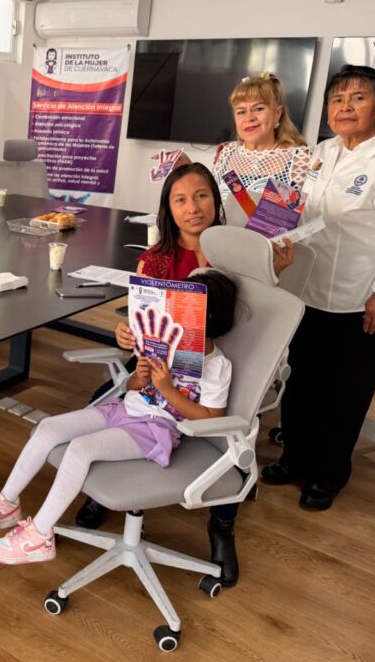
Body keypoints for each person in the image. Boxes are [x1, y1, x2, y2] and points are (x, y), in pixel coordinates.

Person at [74, 162, 291, 585]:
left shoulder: (243, 254)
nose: (192, 207)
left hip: (221, 368)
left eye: (201, 196)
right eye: (180, 199)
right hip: (161, 375)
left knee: (236, 433)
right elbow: (140, 327)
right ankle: (99, 496)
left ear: (216, 200)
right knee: (102, 398)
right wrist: (126, 334)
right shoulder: (155, 262)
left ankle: (222, 524)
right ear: (168, 209)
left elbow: (259, 323)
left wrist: (273, 275)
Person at [0, 271, 239, 566]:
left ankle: (40, 536)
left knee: (80, 449)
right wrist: (141, 376)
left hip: (156, 429)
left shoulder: (218, 366)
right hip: (123, 409)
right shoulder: (164, 343)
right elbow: (132, 387)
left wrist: (166, 389)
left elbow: (209, 417)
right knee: (47, 427)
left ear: (210, 319)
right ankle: (7, 503)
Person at [262, 65, 375, 511]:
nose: (345, 107)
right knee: (301, 380)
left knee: (344, 391)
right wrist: (278, 237)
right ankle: (294, 458)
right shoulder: (321, 153)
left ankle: (328, 474)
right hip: (310, 290)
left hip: (363, 300)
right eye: (336, 99)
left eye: (357, 98)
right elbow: (313, 214)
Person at [209, 72, 312, 197]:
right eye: (241, 112)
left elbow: (309, 211)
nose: (249, 118)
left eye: (258, 109)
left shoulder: (300, 158)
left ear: (277, 113)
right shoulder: (226, 153)